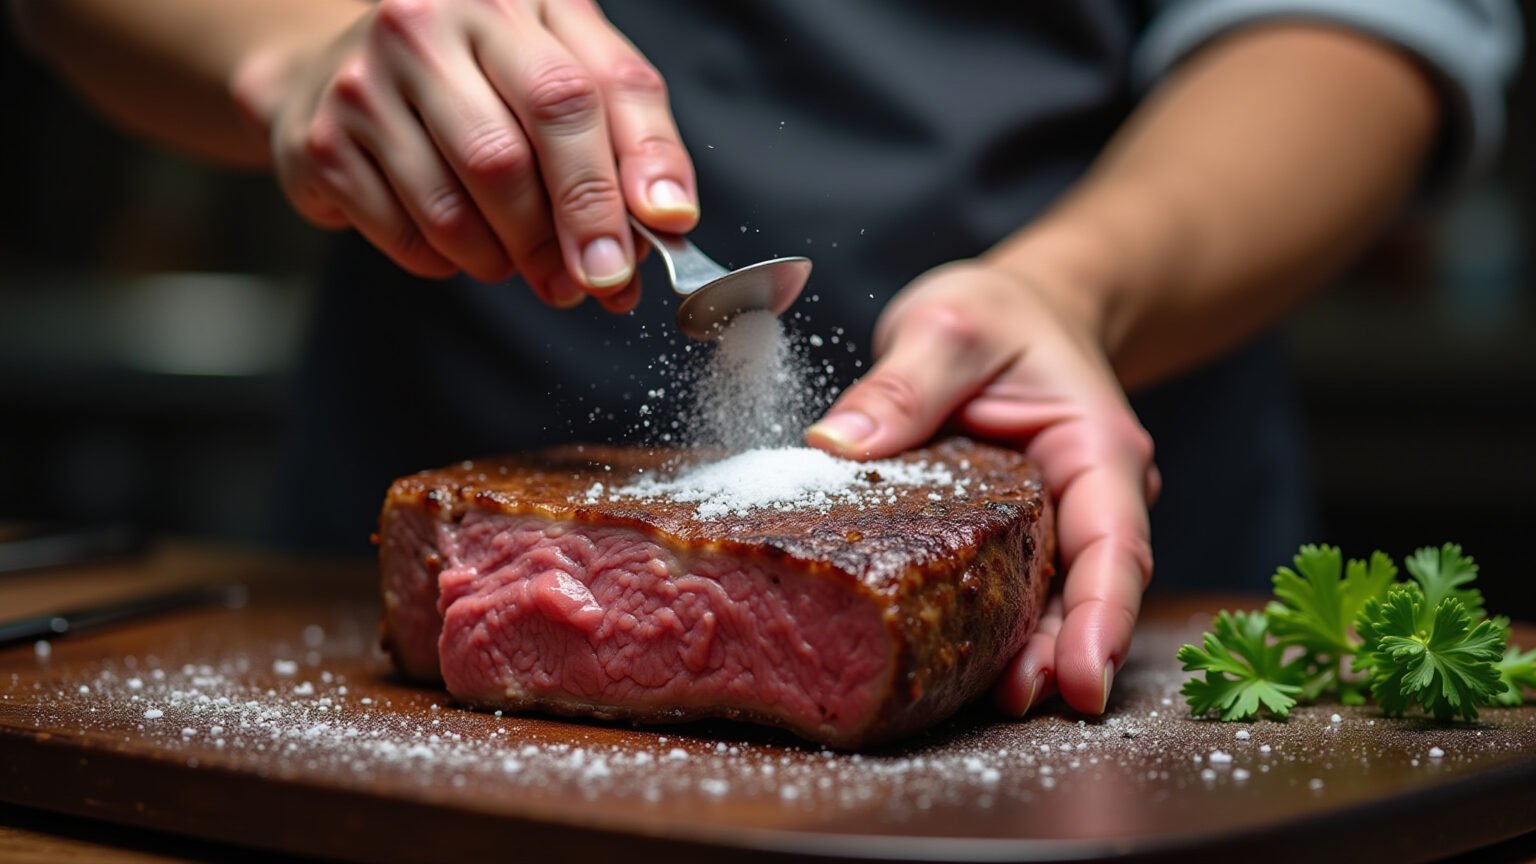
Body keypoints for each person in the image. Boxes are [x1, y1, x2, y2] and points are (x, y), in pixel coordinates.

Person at [12, 0, 1521, 717]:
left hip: (1098, 447)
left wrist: (1081, 283)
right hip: (414, 497)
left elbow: (1360, 24)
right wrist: (292, 48)